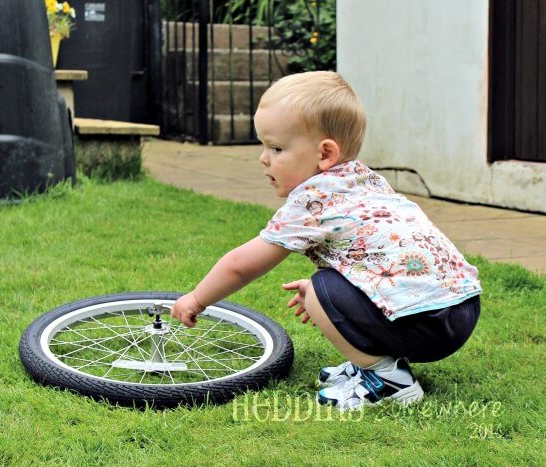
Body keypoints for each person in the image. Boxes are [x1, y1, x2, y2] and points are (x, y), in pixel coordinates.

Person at [170, 71, 482, 411]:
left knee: (321, 287)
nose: (263, 158)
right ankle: (372, 362)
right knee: (324, 290)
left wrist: (198, 298)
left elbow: (241, 265)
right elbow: (377, 255)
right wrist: (341, 295)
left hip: (424, 322)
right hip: (461, 308)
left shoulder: (313, 201)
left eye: (275, 148)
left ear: (325, 154)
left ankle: (389, 380)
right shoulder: (364, 180)